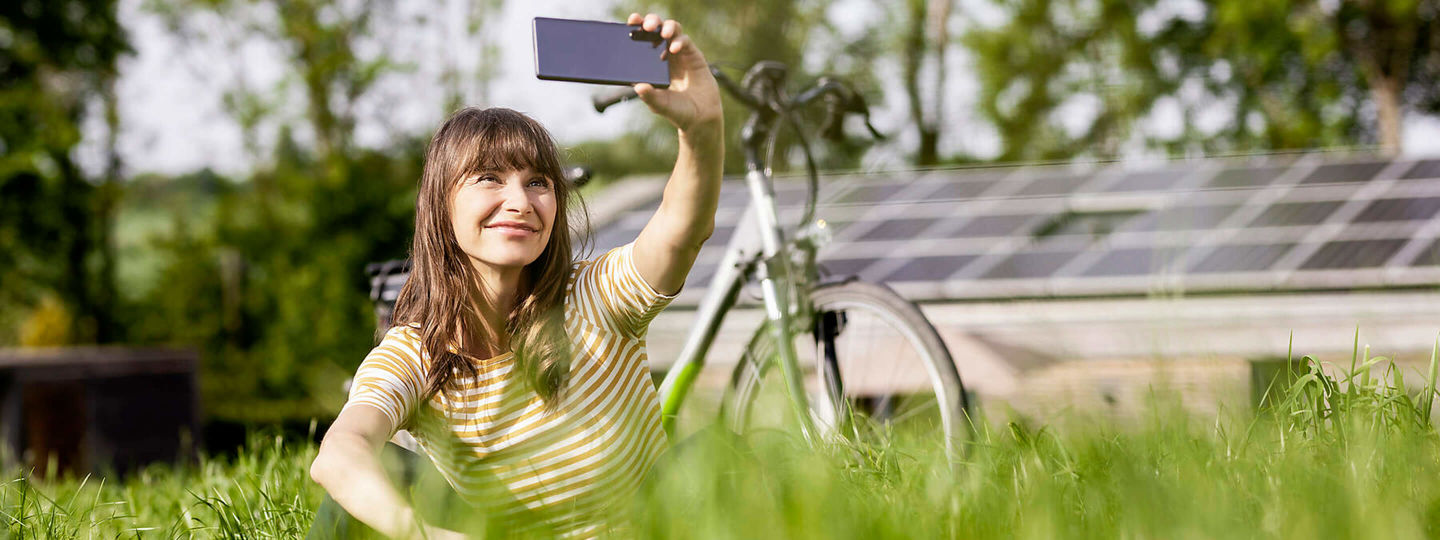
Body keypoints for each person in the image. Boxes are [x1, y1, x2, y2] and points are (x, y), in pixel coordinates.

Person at [306, 12, 722, 539]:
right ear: (442, 206)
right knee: (350, 500)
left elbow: (681, 231)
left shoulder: (596, 297)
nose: (519, 202)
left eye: (537, 182)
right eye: (489, 178)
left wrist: (702, 128)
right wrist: (421, 534)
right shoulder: (416, 352)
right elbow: (340, 454)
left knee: (740, 450)